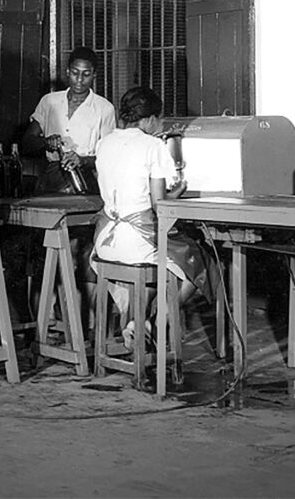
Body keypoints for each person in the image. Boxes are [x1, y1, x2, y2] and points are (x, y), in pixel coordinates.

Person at [91, 85, 216, 350]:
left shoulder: (105, 141)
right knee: (200, 259)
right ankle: (153, 322)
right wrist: (177, 193)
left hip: (105, 242)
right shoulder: (152, 145)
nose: (159, 124)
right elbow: (160, 205)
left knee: (161, 263)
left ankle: (137, 320)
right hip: (137, 241)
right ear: (148, 119)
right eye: (157, 118)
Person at [22, 46, 116, 195]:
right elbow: (27, 142)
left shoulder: (104, 108)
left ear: (94, 75)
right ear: (67, 72)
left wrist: (83, 160)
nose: (79, 80)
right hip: (51, 178)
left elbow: (109, 156)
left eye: (86, 74)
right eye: (75, 73)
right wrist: (46, 142)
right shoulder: (49, 102)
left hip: (86, 179)